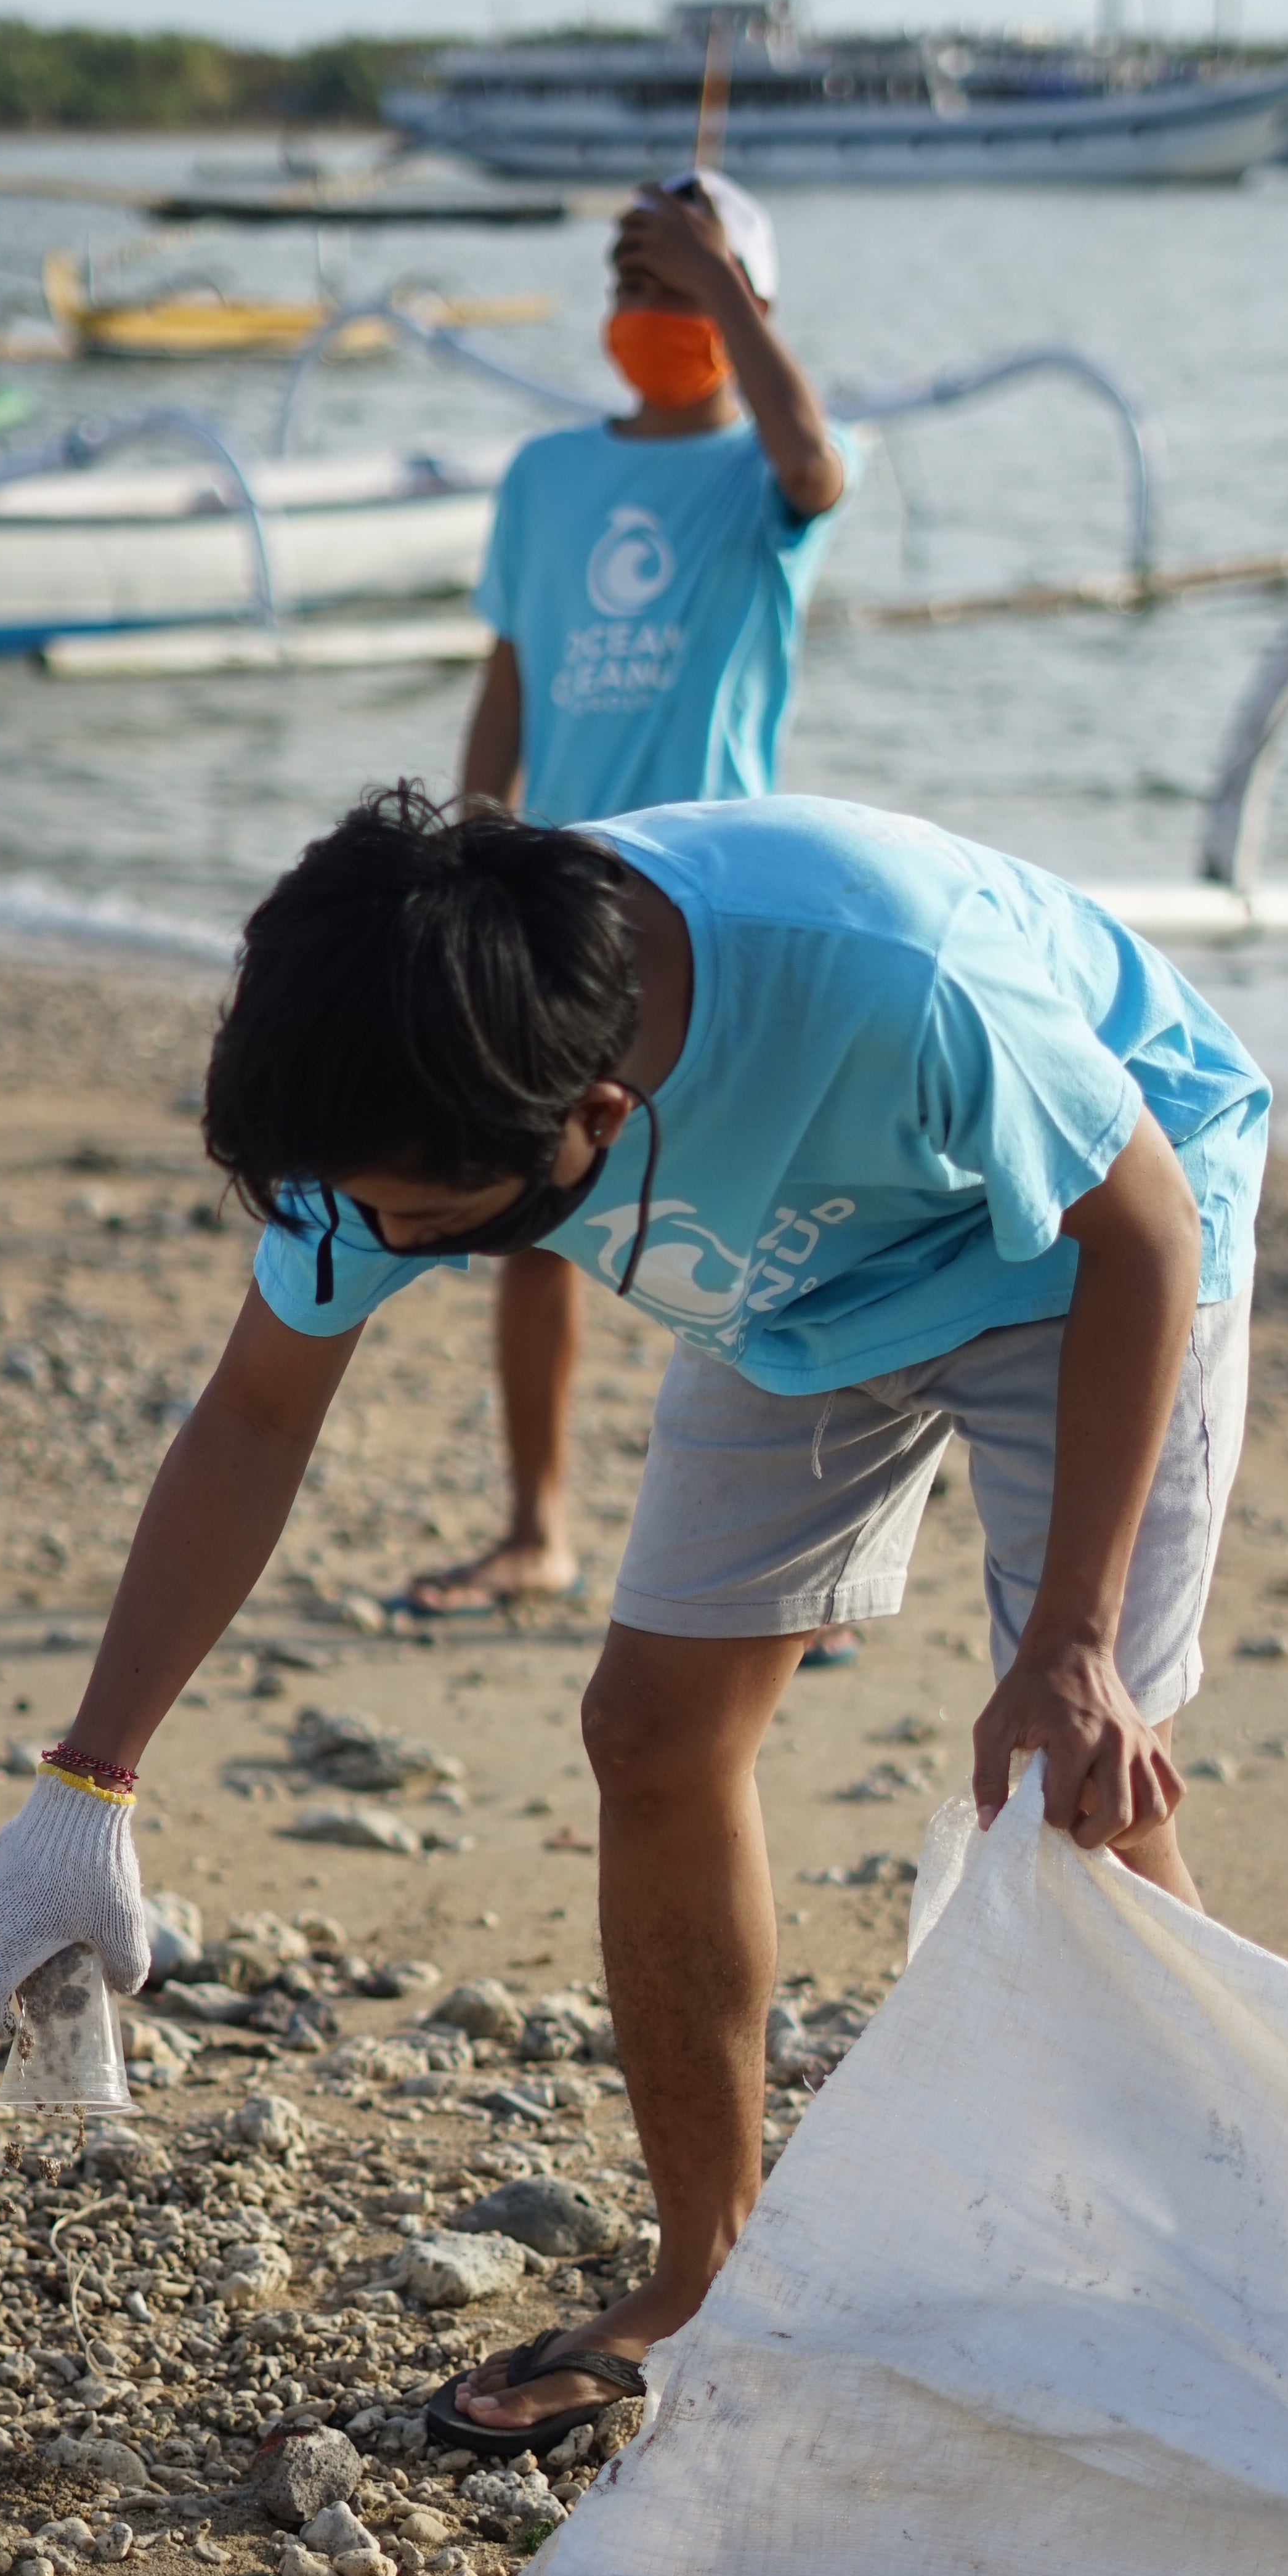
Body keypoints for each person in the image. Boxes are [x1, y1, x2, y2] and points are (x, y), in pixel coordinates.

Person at [0, 788, 1271, 2469]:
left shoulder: (889, 976)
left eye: (429, 1222)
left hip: (1086, 1250)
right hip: (794, 1293)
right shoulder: (398, 1076)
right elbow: (257, 1416)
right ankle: (713, 2273)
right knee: (650, 1733)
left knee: (1081, 1800)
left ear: (601, 1112)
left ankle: (1249, 2279)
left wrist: (1071, 1642)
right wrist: (89, 1779)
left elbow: (1138, 1220)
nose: (386, 1248)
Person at [400, 168, 853, 1620]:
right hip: (557, 899)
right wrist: (470, 852)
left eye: (685, 282)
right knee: (532, 1207)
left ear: (748, 302)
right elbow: (513, 672)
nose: (651, 307)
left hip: (719, 905)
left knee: (751, 1225)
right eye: (633, 279)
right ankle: (537, 1527)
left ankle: (794, 1564)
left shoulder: (755, 478)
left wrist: (714, 273)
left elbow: (814, 466)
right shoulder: (547, 477)